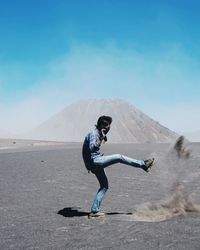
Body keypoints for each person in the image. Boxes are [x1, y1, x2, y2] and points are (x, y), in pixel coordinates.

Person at [82, 115, 154, 218]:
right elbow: (92, 147)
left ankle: (94, 211)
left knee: (104, 186)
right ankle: (143, 164)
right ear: (104, 126)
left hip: (93, 163)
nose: (109, 129)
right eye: (109, 126)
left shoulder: (97, 133)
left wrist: (102, 137)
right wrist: (101, 138)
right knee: (119, 157)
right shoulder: (94, 134)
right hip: (94, 161)